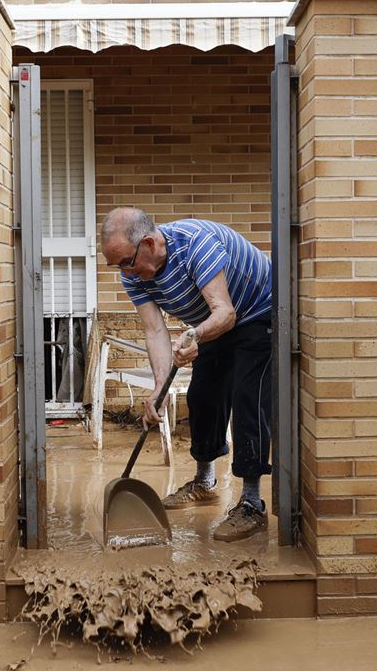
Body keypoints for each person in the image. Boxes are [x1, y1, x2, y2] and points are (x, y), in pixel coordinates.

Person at [100, 207, 273, 542]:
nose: (125, 272)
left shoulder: (196, 245)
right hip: (215, 323)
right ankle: (204, 482)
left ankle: (252, 502)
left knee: (247, 397)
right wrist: (158, 391)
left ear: (149, 243)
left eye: (126, 262)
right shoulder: (133, 273)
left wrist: (195, 335)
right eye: (117, 266)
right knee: (203, 396)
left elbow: (226, 312)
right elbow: (154, 330)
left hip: (258, 312)